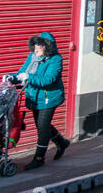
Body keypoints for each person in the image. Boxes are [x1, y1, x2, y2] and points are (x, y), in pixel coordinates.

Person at [13, 32, 70, 170]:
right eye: (36, 44)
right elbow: (22, 72)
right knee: (42, 125)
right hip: (34, 96)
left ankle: (39, 158)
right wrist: (12, 78)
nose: (36, 48)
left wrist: (28, 78)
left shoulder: (55, 59)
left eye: (39, 45)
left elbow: (48, 80)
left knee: (42, 127)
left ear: (47, 47)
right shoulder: (32, 57)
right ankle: (62, 142)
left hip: (48, 98)